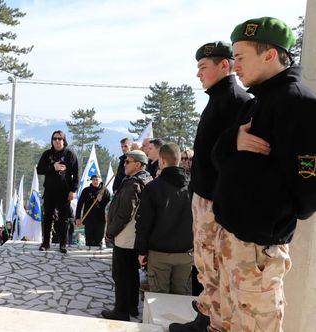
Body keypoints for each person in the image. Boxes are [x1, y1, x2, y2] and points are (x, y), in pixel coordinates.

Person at [210, 17, 316, 331]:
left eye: (240, 57)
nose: (235, 65)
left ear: (269, 55)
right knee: (233, 323)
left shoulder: (299, 104)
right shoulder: (259, 101)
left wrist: (273, 219)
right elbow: (218, 156)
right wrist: (234, 141)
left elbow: (308, 182)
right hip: (235, 238)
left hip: (259, 247)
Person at [169, 40, 251, 332]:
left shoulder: (236, 102)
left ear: (224, 65)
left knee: (214, 268)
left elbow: (234, 161)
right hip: (206, 199)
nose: (198, 74)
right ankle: (205, 317)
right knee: (205, 268)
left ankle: (211, 324)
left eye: (203, 67)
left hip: (217, 203)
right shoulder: (219, 99)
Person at [135, 143, 193, 295]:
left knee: (159, 300)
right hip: (186, 254)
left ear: (162, 161)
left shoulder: (153, 188)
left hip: (159, 253)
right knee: (180, 298)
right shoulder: (192, 188)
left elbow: (144, 222)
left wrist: (141, 251)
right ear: (179, 160)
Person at [101, 150, 152, 321]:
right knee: (132, 273)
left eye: (127, 162)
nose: (124, 164)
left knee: (121, 275)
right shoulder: (147, 180)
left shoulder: (133, 184)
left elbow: (124, 213)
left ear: (137, 164)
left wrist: (110, 232)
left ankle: (121, 311)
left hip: (126, 236)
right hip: (134, 238)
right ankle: (131, 307)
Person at [36, 130, 79, 254]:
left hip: (64, 192)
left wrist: (73, 190)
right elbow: (39, 170)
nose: (57, 141)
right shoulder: (47, 154)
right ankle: (45, 243)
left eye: (60, 138)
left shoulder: (70, 154)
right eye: (55, 138)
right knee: (47, 218)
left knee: (63, 219)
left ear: (64, 140)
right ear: (52, 140)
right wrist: (52, 167)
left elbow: (76, 174)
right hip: (49, 191)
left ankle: (62, 244)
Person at [76, 175, 110, 247]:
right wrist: (77, 218)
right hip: (89, 219)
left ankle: (97, 256)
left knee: (99, 240)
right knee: (89, 240)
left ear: (100, 180)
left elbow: (108, 205)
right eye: (94, 180)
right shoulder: (86, 190)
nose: (95, 181)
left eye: (97, 179)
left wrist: (101, 200)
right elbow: (79, 205)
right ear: (91, 181)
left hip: (101, 219)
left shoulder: (105, 191)